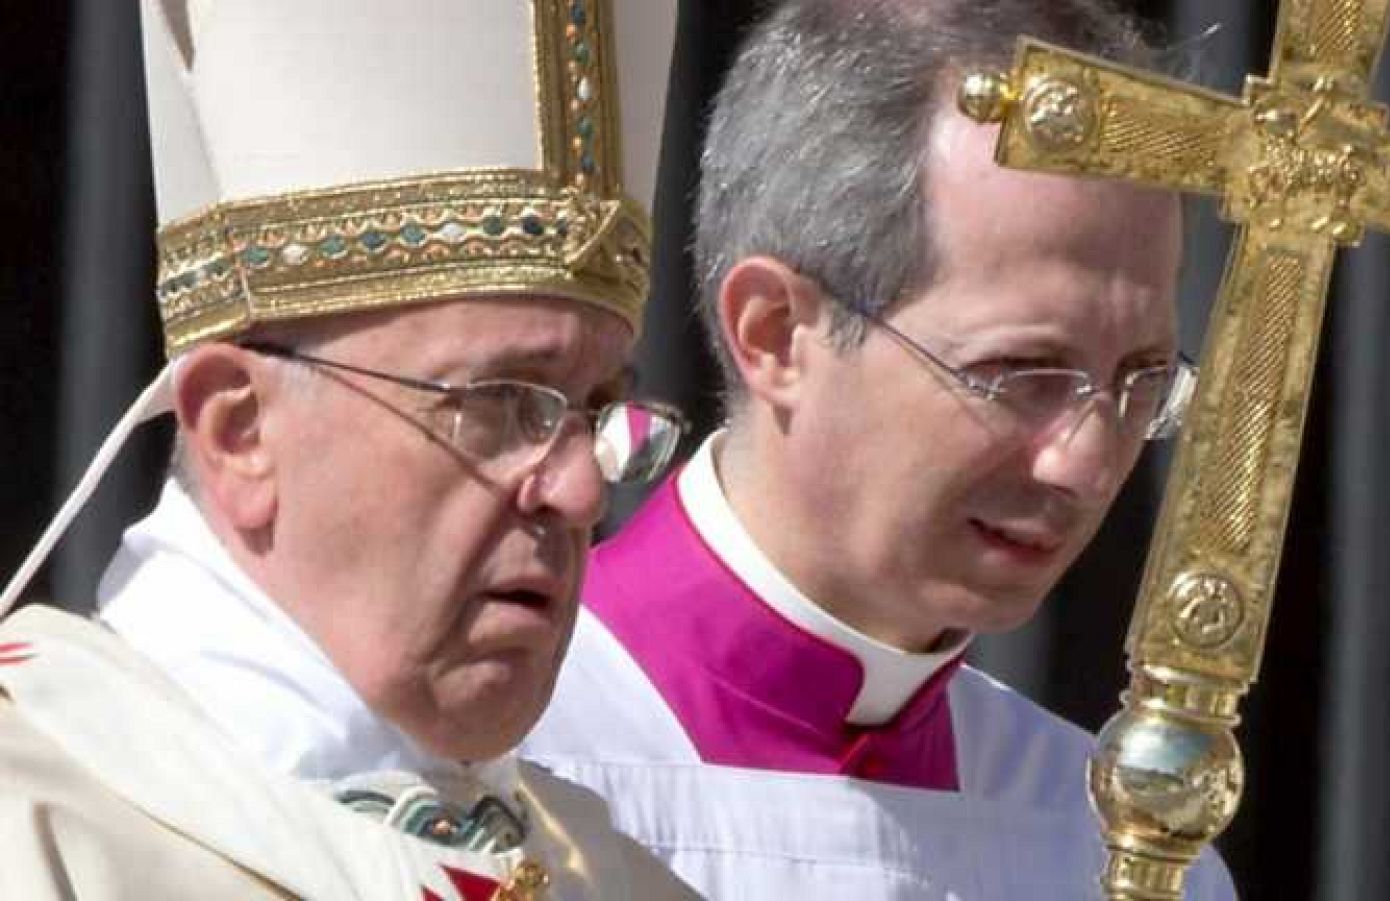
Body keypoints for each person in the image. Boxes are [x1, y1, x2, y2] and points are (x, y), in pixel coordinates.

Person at [522, 0, 1237, 898]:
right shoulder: (504, 764)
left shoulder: (1106, 836)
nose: (1087, 466)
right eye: (1019, 372)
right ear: (777, 334)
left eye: (1141, 381)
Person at [0, 1, 700, 897]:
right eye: (503, 403)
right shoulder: (34, 836)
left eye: (596, 411)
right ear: (239, 431)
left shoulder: (626, 883)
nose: (578, 490)